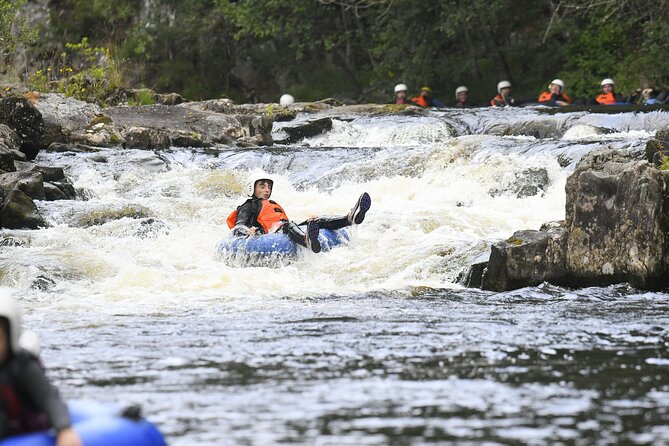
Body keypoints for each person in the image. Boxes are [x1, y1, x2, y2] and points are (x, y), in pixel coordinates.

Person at [0, 293, 81, 446]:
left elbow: (49, 397)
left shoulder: (23, 367)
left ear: (10, 338)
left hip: (25, 432)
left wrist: (64, 429)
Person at [227, 178, 371, 253]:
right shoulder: (249, 205)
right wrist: (247, 230)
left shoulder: (272, 204)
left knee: (315, 220)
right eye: (262, 186)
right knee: (288, 225)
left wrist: (307, 222)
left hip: (282, 229)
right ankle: (306, 240)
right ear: (252, 188)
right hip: (266, 234)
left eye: (269, 187)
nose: (267, 190)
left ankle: (350, 218)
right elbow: (238, 225)